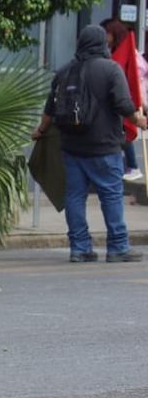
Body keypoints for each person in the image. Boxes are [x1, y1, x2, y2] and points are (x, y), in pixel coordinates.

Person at [33, 24, 146, 263]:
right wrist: (140, 120)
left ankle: (79, 248)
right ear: (101, 44)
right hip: (104, 147)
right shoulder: (111, 70)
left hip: (71, 147)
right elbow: (124, 105)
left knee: (74, 197)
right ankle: (117, 247)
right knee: (111, 195)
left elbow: (50, 109)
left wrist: (40, 130)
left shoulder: (64, 72)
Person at [100, 19, 147, 182]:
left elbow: (136, 80)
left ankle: (132, 165)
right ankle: (127, 165)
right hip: (122, 101)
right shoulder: (117, 53)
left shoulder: (129, 55)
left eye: (107, 33)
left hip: (128, 101)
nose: (105, 37)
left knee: (124, 131)